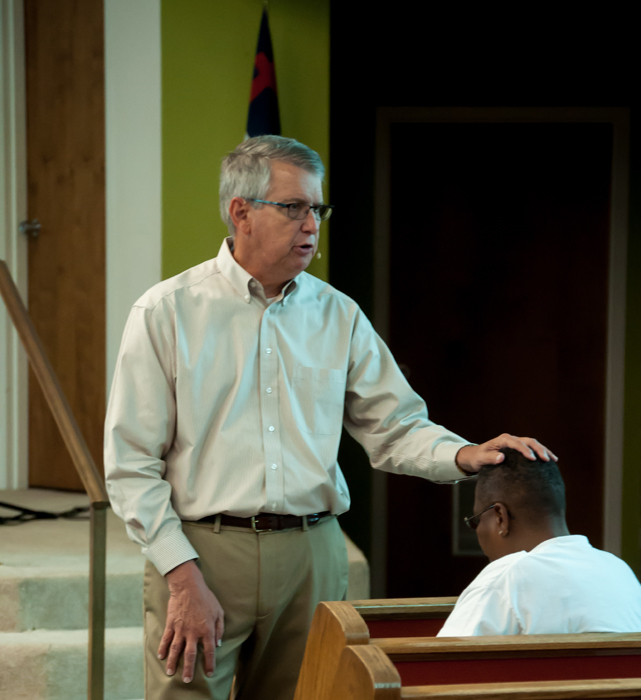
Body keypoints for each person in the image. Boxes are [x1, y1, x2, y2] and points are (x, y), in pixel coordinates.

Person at [104, 135, 557, 700]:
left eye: (317, 208)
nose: (311, 224)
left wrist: (465, 454)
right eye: (293, 207)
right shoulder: (166, 311)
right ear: (240, 212)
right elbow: (130, 465)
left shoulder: (338, 315)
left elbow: (394, 427)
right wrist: (180, 573)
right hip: (203, 553)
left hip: (312, 555)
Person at [438, 448, 641, 637]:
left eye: (476, 521)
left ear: (500, 517)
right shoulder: (619, 570)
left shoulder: (504, 578)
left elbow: (442, 672)